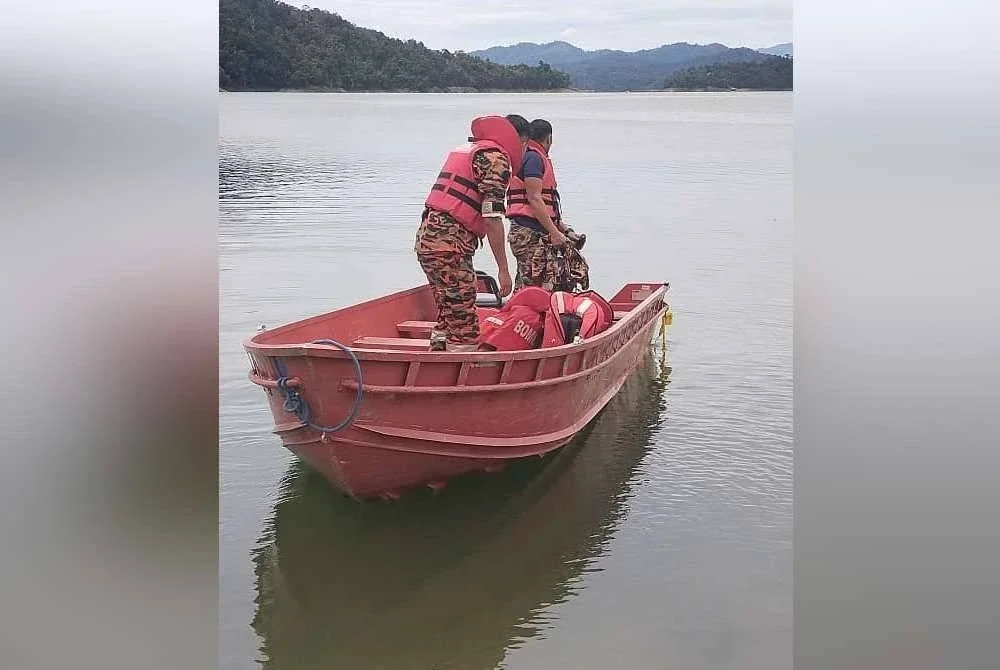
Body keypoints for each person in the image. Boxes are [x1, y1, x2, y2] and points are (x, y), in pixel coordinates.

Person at [414, 115, 527, 352]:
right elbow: (492, 218)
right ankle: (459, 376)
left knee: (448, 312)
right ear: (520, 141)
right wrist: (504, 270)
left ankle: (436, 360)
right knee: (464, 321)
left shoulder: (471, 150)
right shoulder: (496, 159)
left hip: (428, 242)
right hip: (449, 245)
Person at [505, 118, 589, 292]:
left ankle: (525, 315)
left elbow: (546, 207)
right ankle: (521, 316)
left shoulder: (528, 156)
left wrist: (565, 231)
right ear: (549, 139)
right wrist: (554, 233)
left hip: (530, 230)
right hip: (528, 233)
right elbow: (534, 199)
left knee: (532, 279)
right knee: (532, 283)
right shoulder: (534, 158)